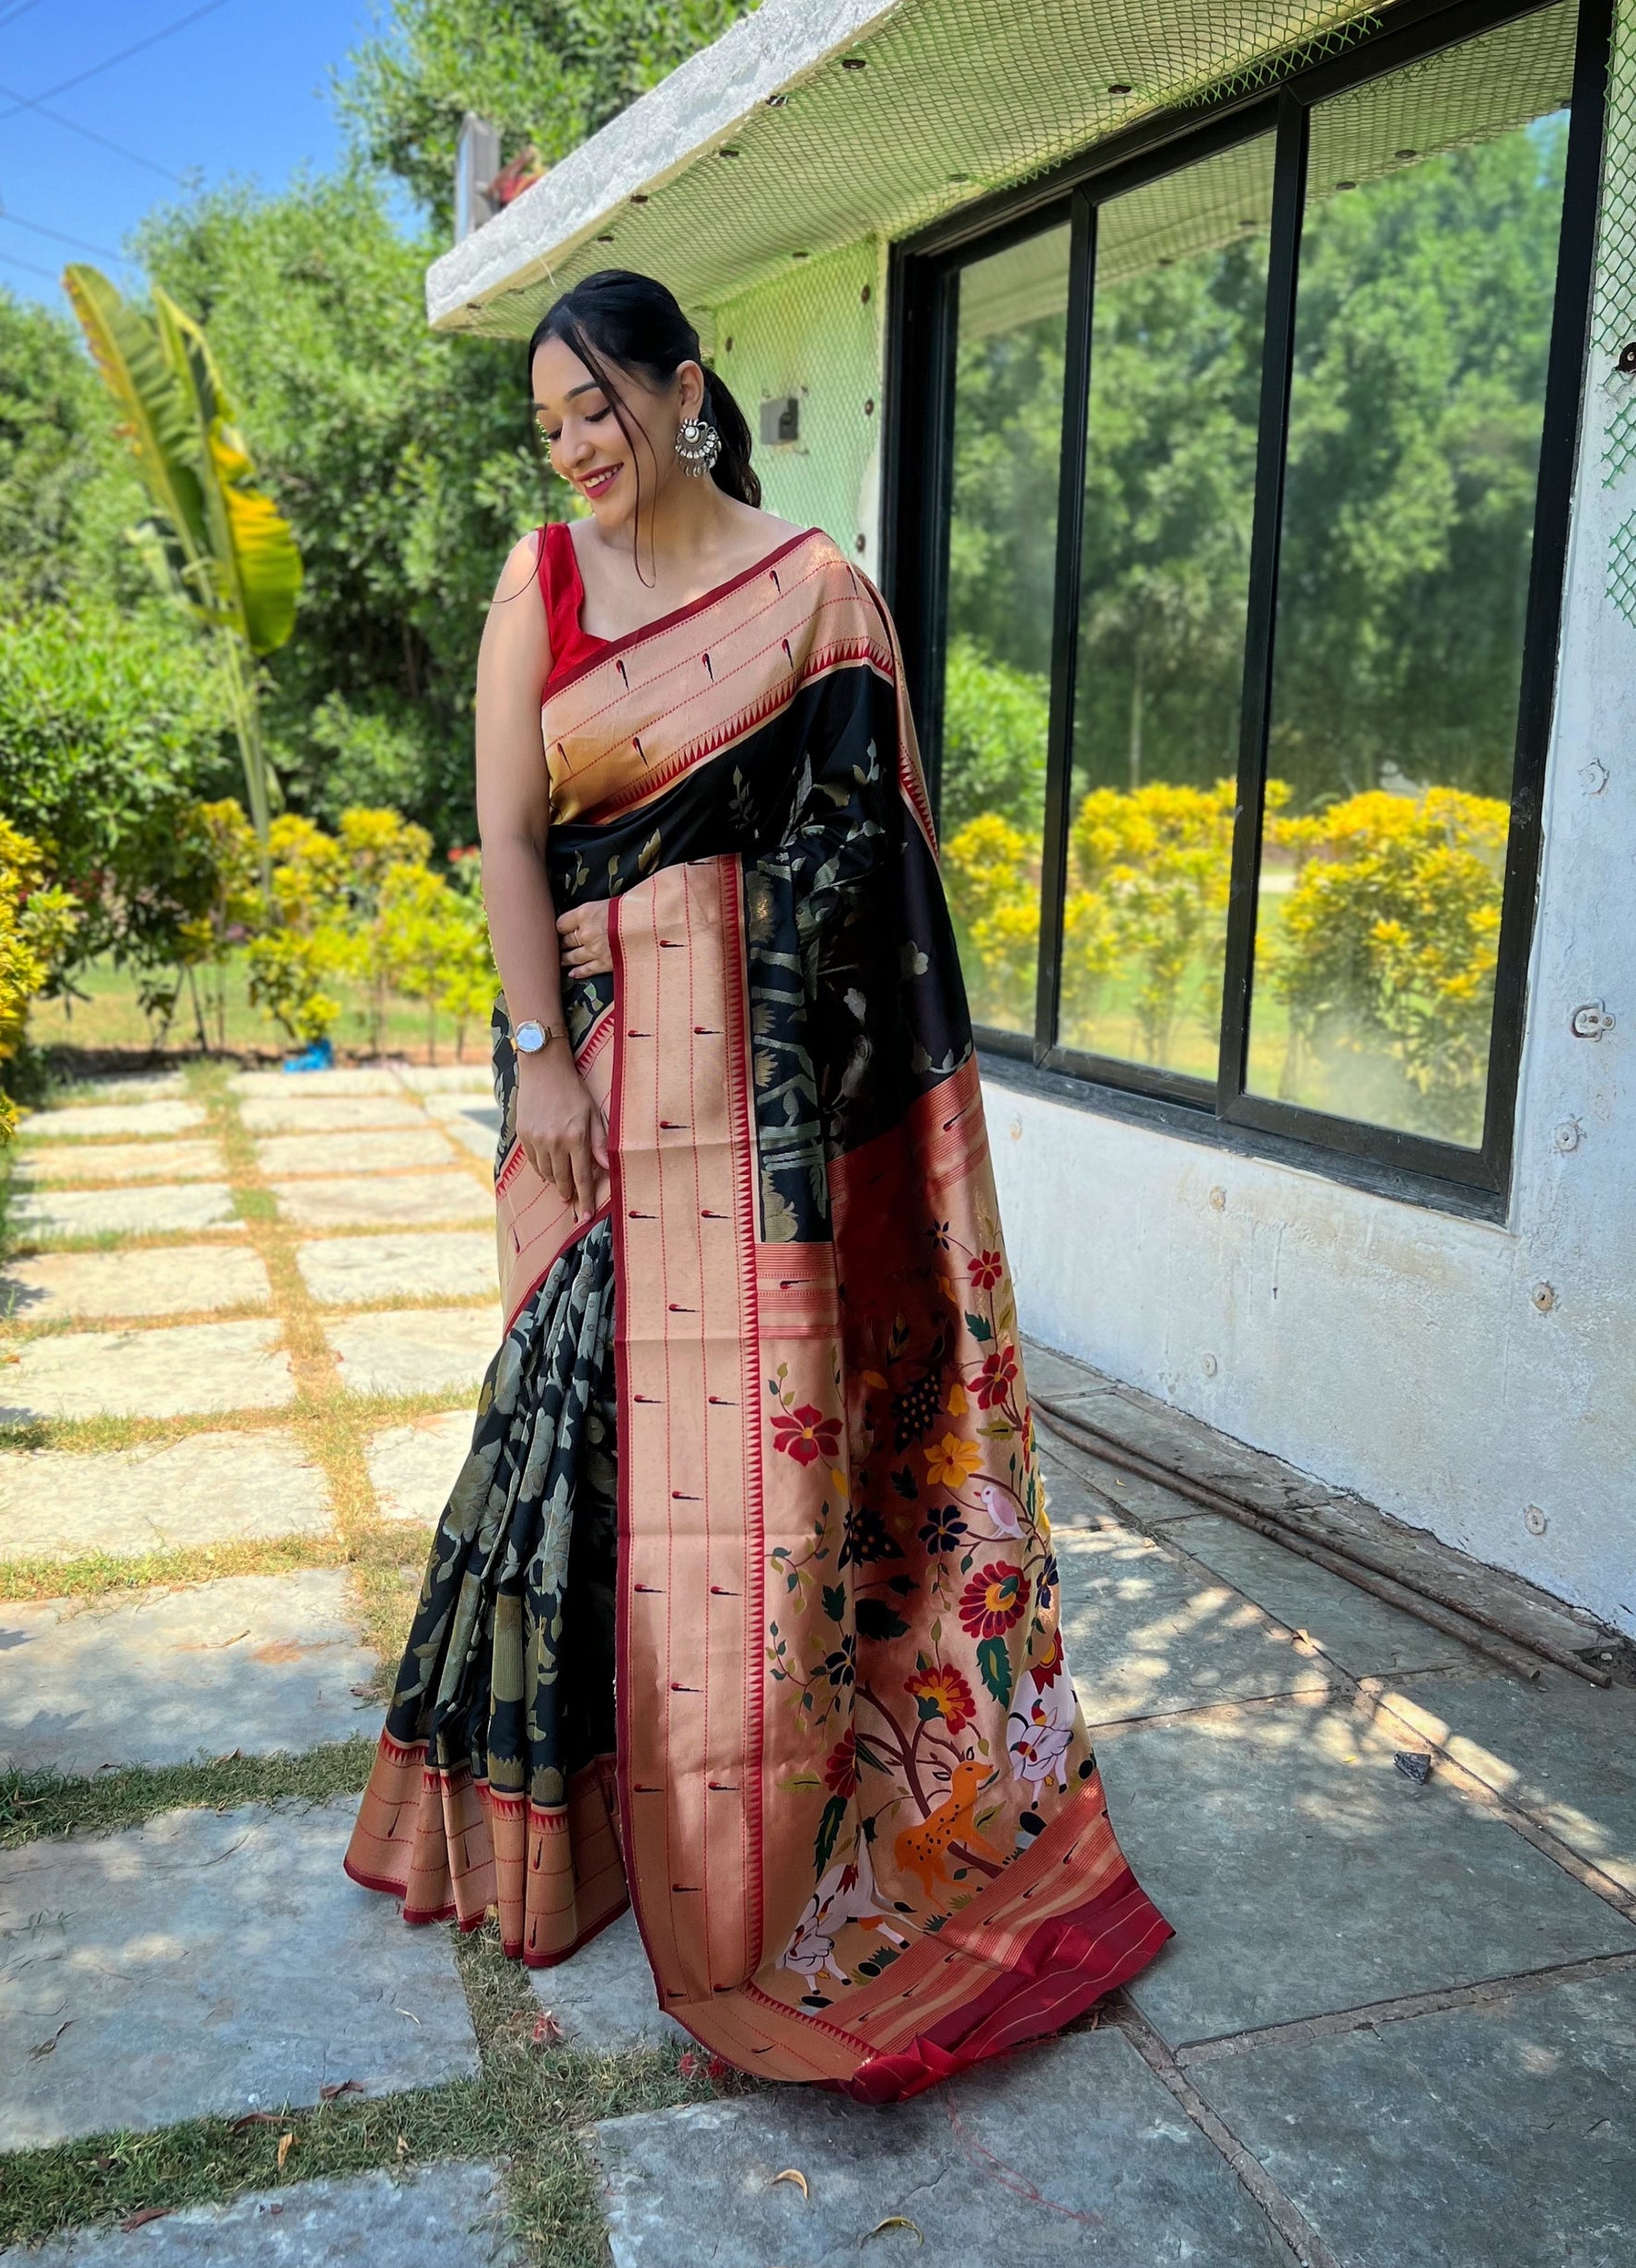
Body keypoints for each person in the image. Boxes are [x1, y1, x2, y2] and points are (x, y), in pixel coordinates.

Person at [345, 269, 1170, 2098]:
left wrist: (695, 933)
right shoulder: (540, 585)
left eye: (597, 407)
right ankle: (567, 1829)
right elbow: (505, 835)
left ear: (682, 389)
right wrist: (543, 1055)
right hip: (586, 1079)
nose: (573, 446)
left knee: (737, 1469)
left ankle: (754, 1817)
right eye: (548, 421)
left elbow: (867, 872)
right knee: (563, 1425)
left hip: (761, 1111)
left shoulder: (814, 599)